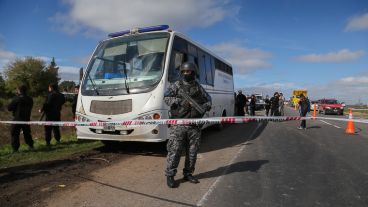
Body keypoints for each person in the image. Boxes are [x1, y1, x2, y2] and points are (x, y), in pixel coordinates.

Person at [164, 62, 212, 188]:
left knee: (192, 151)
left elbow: (209, 100)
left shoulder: (198, 87)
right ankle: (170, 175)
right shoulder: (177, 85)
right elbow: (166, 97)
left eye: (188, 72)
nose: (186, 74)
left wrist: (203, 107)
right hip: (178, 124)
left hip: (194, 125)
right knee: (175, 150)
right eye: (184, 72)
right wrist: (179, 102)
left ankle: (188, 173)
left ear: (193, 73)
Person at [7, 85, 34, 152]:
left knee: (14, 133)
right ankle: (31, 146)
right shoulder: (30, 99)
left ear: (19, 90)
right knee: (27, 133)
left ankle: (15, 149)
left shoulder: (16, 98)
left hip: (17, 118)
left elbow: (9, 108)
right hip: (26, 118)